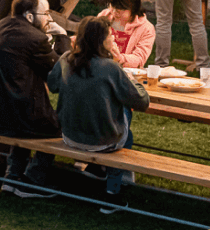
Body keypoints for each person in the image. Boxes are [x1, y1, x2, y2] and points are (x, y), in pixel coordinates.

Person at [0, 0, 71, 197]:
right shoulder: (35, 38)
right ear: (29, 16)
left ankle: (12, 177)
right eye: (45, 13)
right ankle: (32, 181)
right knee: (56, 125)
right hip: (7, 116)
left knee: (30, 116)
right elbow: (60, 72)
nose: (49, 19)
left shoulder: (2, 25)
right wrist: (62, 36)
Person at [47, 16, 149, 212]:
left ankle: (101, 171)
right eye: (111, 35)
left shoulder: (66, 59)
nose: (114, 39)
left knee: (107, 110)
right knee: (125, 112)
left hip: (69, 136)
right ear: (102, 41)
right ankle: (113, 193)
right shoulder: (110, 68)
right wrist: (127, 75)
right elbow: (142, 101)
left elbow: (53, 85)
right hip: (104, 143)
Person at [98, 0, 155, 68]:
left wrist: (120, 58)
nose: (114, 11)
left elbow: (139, 59)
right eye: (112, 6)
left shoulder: (146, 28)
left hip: (126, 74)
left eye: (119, 8)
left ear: (133, 7)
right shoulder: (104, 15)